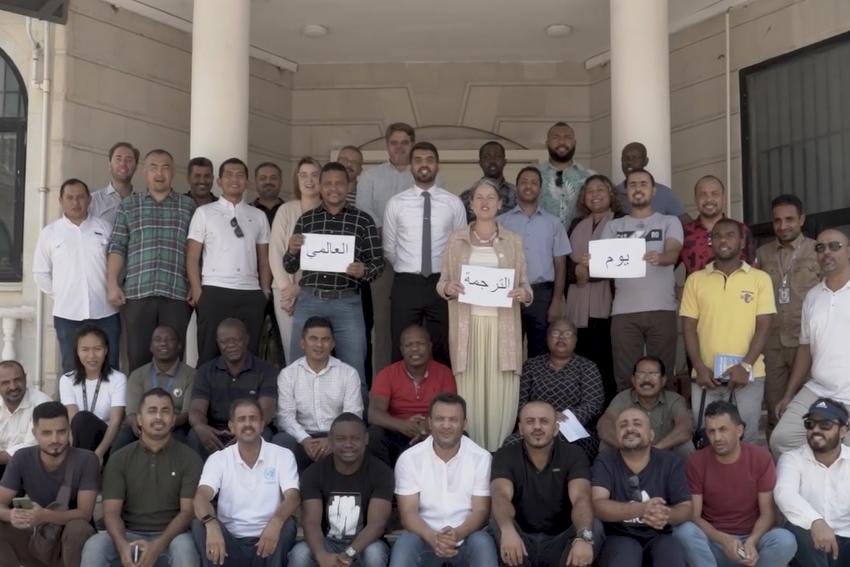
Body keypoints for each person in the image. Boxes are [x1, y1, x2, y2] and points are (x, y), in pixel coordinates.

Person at [437, 178, 532, 451]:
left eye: (491, 197)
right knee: (471, 392)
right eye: (479, 197)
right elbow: (442, 283)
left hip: (502, 329)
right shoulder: (456, 240)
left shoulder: (513, 241)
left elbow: (526, 286)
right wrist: (448, 288)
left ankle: (497, 455)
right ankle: (475, 454)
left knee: (501, 392)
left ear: (500, 204)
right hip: (469, 329)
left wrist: (523, 294)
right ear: (471, 204)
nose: (485, 202)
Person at [284, 162, 383, 385]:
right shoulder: (307, 220)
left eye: (339, 183)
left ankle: (355, 409)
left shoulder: (363, 221)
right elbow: (290, 266)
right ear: (320, 186)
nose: (333, 188)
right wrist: (292, 250)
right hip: (309, 300)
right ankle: (296, 408)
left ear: (348, 186)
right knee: (298, 366)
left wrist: (364, 270)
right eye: (328, 183)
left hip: (347, 302)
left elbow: (378, 263)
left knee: (354, 369)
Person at [81, 388, 202, 567]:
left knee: (185, 548)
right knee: (95, 546)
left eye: (165, 411)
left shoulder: (190, 458)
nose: (159, 417)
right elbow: (111, 512)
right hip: (129, 534)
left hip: (173, 537)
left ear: (173, 419)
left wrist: (157, 546)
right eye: (152, 411)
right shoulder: (120, 458)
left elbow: (187, 513)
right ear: (139, 419)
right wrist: (122, 545)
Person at [680, 218, 775, 443]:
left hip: (747, 375)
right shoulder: (695, 280)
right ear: (710, 241)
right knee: (707, 441)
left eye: (730, 235)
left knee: (746, 440)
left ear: (742, 242)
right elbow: (688, 328)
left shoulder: (760, 279)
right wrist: (699, 367)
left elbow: (764, 326)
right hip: (706, 377)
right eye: (717, 236)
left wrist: (745, 366)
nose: (723, 240)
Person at [673, 401, 796, 567]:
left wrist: (752, 541)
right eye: (711, 431)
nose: (717, 438)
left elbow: (768, 514)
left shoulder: (760, 458)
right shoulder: (696, 461)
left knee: (785, 540)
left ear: (739, 430)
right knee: (684, 531)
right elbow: (695, 515)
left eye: (723, 429)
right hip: (714, 543)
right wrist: (724, 539)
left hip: (751, 542)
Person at [107, 148, 196, 371]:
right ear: (144, 172)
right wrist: (112, 283)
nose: (159, 173)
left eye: (165, 167)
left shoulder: (188, 206)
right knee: (137, 357)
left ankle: (174, 396)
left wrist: (196, 284)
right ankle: (139, 396)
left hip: (176, 293)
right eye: (153, 167)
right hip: (138, 293)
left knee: (173, 358)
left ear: (173, 172)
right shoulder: (129, 205)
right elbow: (117, 246)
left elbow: (196, 251)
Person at [389, 393, 498, 567]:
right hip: (424, 538)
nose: (446, 425)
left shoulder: (481, 458)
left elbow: (481, 510)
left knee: (482, 542)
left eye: (453, 420)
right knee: (405, 543)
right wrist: (433, 538)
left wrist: (457, 534)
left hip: (467, 537)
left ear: (464, 423)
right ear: (430, 422)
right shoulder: (409, 458)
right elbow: (408, 512)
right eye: (440, 419)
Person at [599, 168, 683, 391]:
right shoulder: (613, 226)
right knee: (625, 376)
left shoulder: (669, 221)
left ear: (653, 191)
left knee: (663, 374)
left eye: (643, 184)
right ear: (626, 191)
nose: (638, 188)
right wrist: (592, 261)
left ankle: (663, 414)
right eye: (633, 184)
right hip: (623, 311)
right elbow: (603, 263)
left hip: (662, 307)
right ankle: (629, 413)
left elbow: (673, 253)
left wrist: (661, 258)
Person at [490, 401, 601, 567]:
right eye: (530, 421)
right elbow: (500, 496)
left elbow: (581, 498)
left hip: (561, 540)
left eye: (544, 421)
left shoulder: (574, 454)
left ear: (556, 428)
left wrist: (583, 538)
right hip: (520, 540)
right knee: (498, 522)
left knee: (593, 528)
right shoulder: (505, 455)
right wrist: (507, 530)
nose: (537, 427)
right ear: (520, 429)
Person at [384, 141, 466, 366]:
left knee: (443, 347)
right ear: (411, 166)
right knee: (401, 345)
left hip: (442, 283)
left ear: (437, 165)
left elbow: (460, 246)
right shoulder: (396, 203)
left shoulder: (453, 203)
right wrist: (409, 266)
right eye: (418, 160)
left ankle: (442, 390)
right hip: (406, 283)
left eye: (429, 160)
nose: (424, 165)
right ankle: (400, 390)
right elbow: (389, 247)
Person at [192, 398, 299, 567]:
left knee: (288, 524)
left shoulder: (282, 455)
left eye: (253, 418)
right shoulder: (218, 459)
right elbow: (201, 497)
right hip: (229, 541)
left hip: (268, 539)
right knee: (200, 524)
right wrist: (211, 524)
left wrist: (276, 521)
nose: (248, 424)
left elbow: (293, 496)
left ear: (262, 424)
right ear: (231, 426)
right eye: (241, 419)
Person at [771, 229, 850, 454]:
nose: (827, 252)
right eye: (820, 247)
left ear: (848, 251)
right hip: (818, 390)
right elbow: (805, 348)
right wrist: (788, 394)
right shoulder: (813, 296)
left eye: (834, 246)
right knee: (782, 440)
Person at [187, 157, 272, 363]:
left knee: (249, 355)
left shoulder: (258, 215)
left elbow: (264, 258)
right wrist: (198, 291)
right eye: (229, 175)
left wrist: (265, 291)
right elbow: (192, 256)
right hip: (214, 291)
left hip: (250, 293)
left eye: (240, 175)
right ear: (219, 181)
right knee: (209, 353)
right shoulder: (204, 212)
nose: (235, 179)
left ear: (247, 182)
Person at [33, 178, 120, 373]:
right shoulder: (50, 233)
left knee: (110, 368)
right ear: (60, 201)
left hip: (105, 311)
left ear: (89, 199)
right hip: (67, 315)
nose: (75, 202)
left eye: (80, 197)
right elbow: (40, 273)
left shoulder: (105, 228)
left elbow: (118, 264)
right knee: (72, 370)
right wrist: (62, 293)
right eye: (70, 198)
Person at [0, 401, 97, 567]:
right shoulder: (22, 457)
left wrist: (43, 515)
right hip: (37, 535)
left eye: (61, 432)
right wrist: (12, 515)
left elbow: (85, 514)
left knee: (79, 528)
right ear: (35, 433)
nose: (55, 439)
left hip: (70, 539)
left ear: (69, 430)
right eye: (46, 433)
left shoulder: (86, 459)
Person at [289, 413, 393, 567]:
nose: (348, 444)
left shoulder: (381, 472)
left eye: (355, 438)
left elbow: (376, 524)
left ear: (366, 439)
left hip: (365, 544)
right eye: (341, 439)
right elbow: (311, 522)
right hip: (327, 542)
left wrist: (348, 554)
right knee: (300, 553)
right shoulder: (314, 473)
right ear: (330, 440)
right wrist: (322, 555)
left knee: (375, 553)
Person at [591, 408, 691, 567]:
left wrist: (665, 515)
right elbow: (598, 505)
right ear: (617, 435)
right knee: (626, 553)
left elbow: (686, 507)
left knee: (671, 551)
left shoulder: (670, 461)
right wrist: (641, 509)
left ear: (651, 435)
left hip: (660, 536)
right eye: (623, 425)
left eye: (637, 424)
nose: (630, 428)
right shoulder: (605, 461)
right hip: (618, 537)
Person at [756, 194, 820, 438]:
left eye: (789, 219)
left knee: (814, 413)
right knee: (776, 411)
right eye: (777, 220)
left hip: (807, 344)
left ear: (801, 220)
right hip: (772, 346)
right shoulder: (762, 254)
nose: (783, 226)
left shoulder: (817, 250)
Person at [497, 166, 570, 359]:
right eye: (524, 182)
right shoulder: (501, 223)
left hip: (542, 296)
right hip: (508, 293)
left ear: (540, 189)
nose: (528, 186)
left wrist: (557, 300)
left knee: (540, 354)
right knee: (508, 353)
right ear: (516, 187)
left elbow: (560, 264)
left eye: (534, 183)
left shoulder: (553, 223)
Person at [507, 318, 604, 462]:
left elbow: (594, 403)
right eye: (555, 333)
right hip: (535, 425)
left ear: (576, 340)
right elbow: (520, 402)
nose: (561, 338)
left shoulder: (587, 367)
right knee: (510, 444)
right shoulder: (532, 366)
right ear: (547, 338)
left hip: (572, 429)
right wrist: (544, 417)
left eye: (567, 334)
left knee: (560, 444)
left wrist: (564, 419)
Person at [274, 317, 364, 472]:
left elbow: (353, 414)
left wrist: (332, 439)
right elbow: (285, 417)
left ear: (333, 344)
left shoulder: (348, 373)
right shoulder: (288, 374)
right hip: (302, 437)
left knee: (361, 438)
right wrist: (305, 439)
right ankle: (291, 486)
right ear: (302, 343)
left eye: (325, 339)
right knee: (281, 440)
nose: (319, 345)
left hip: (338, 437)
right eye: (313, 339)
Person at [774, 397, 850, 567]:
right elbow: (784, 494)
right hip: (809, 540)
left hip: (846, 541)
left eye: (825, 424)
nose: (816, 430)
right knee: (796, 530)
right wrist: (815, 521)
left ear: (843, 431)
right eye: (810, 424)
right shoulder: (792, 458)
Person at [188, 318, 278, 460]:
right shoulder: (205, 371)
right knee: (195, 434)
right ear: (218, 343)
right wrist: (200, 426)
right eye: (224, 342)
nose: (231, 345)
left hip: (250, 426)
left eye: (236, 340)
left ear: (247, 339)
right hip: (216, 432)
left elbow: (266, 410)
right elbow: (196, 409)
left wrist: (245, 429)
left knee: (265, 433)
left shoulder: (265, 370)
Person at [566, 174, 622, 401]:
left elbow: (623, 260)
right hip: (577, 306)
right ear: (583, 197)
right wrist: (576, 271)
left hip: (608, 306)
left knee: (605, 364)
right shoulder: (576, 225)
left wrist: (589, 271)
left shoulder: (621, 221)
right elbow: (564, 261)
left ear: (610, 194)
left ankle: (606, 411)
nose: (595, 195)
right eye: (590, 191)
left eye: (600, 189)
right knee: (581, 362)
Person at [367, 324, 457, 466]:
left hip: (433, 433)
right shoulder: (387, 374)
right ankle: (385, 478)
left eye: (420, 343)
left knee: (460, 435)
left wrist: (427, 427)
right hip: (397, 433)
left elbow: (451, 411)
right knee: (374, 435)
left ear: (430, 346)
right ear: (401, 350)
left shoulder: (444, 373)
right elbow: (374, 413)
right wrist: (402, 425)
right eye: (409, 345)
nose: (415, 349)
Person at [269, 157, 322, 365]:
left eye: (315, 175)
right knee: (293, 352)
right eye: (303, 175)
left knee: (318, 349)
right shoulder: (286, 210)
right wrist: (287, 290)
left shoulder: (329, 212)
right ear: (296, 180)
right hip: (285, 293)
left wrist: (299, 288)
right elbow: (275, 250)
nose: (309, 180)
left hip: (317, 291)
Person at [113, 326, 194, 451]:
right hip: (142, 425)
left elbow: (186, 414)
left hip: (175, 426)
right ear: (151, 347)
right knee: (124, 436)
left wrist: (163, 424)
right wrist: (143, 425)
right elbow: (131, 413)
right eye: (157, 339)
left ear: (179, 346)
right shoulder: (138, 374)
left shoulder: (191, 375)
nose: (163, 343)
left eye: (170, 339)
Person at [598, 356, 694, 459]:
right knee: (605, 445)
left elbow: (685, 426)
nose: (647, 379)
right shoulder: (622, 398)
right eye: (641, 374)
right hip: (628, 452)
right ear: (633, 379)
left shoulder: (674, 399)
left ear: (663, 380)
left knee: (686, 446)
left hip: (664, 453)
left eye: (653, 374)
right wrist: (622, 446)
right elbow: (604, 423)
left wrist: (656, 449)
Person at [58, 325, 126, 462]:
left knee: (83, 419)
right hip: (78, 442)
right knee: (81, 420)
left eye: (97, 349)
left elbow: (115, 422)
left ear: (106, 350)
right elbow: (72, 421)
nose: (92, 356)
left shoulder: (118, 379)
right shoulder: (67, 380)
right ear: (77, 351)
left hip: (106, 441)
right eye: (85, 349)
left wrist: (98, 455)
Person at [338, 145, 376, 385]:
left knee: (361, 336)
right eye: (344, 159)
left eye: (354, 162)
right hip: (327, 282)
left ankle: (362, 391)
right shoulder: (323, 198)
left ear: (360, 170)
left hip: (358, 280)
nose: (348, 164)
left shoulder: (366, 197)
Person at [680, 175, 756, 276]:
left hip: (735, 286)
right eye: (703, 194)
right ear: (695, 199)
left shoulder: (741, 230)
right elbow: (665, 267)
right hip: (696, 286)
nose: (709, 199)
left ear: (723, 198)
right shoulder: (683, 232)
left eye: (714, 194)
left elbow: (753, 270)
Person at [355, 122, 416, 225]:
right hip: (377, 233)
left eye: (404, 143)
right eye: (394, 143)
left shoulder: (427, 177)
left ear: (413, 145)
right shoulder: (369, 176)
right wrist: (383, 229)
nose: (399, 147)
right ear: (387, 145)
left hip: (416, 234)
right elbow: (363, 207)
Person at [538, 122, 594, 231]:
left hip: (580, 239)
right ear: (547, 143)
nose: (562, 142)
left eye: (567, 137)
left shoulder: (589, 177)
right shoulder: (534, 177)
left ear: (574, 143)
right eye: (556, 137)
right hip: (542, 239)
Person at [0, 360, 51, 478]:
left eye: (17, 380)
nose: (13, 387)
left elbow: (32, 447)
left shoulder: (42, 403)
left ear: (25, 378)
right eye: (5, 382)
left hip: (31, 468)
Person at [614, 142, 687, 221]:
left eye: (635, 158)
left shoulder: (664, 193)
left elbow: (685, 221)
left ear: (645, 161)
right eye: (626, 158)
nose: (629, 162)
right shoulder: (613, 194)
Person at [460, 141, 517, 222]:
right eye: (487, 157)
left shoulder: (517, 195)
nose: (492, 161)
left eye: (497, 157)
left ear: (504, 162)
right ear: (480, 163)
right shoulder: (467, 197)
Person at [89, 141, 139, 225]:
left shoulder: (144, 203)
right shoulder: (92, 201)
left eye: (129, 160)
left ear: (136, 166)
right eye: (118, 159)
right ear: (109, 164)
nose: (123, 164)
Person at [252, 162, 285, 226]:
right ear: (256, 183)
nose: (268, 182)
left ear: (281, 182)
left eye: (273, 178)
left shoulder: (290, 211)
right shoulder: (245, 212)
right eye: (263, 178)